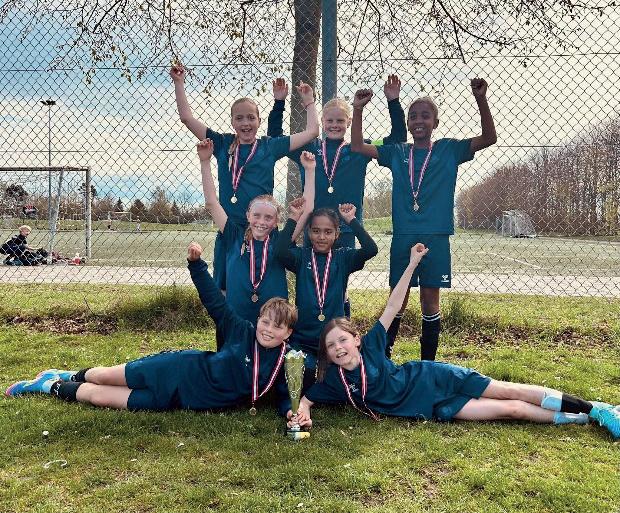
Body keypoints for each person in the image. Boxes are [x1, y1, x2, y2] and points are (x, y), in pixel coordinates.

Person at [289, 244, 620, 440]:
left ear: (356, 339)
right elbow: (307, 399)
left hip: (434, 377)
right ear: (327, 353)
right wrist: (301, 414)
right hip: (434, 407)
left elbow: (392, 305)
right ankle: (586, 418)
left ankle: (596, 408)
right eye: (331, 346)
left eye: (342, 340)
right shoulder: (335, 380)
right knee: (512, 409)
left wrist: (413, 264)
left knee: (510, 390)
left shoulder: (373, 344)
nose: (339, 348)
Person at [6, 244, 298, 419]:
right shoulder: (241, 330)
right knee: (103, 376)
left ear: (287, 333)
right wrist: (196, 265)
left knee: (100, 398)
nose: (268, 330)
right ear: (258, 319)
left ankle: (45, 385)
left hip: (177, 399)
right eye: (266, 321)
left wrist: (291, 412)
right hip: (175, 368)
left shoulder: (286, 362)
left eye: (277, 326)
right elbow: (215, 302)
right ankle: (65, 374)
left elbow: (287, 395)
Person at [350, 79, 498, 360]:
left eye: (425, 116)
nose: (419, 120)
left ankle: (427, 364)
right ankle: (384, 360)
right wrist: (358, 109)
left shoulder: (448, 149)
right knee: (398, 297)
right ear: (408, 123)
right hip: (404, 235)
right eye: (413, 116)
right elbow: (357, 146)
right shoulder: (397, 152)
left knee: (430, 300)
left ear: (435, 122)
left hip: (436, 235)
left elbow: (489, 138)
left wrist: (481, 99)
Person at [170, 63, 319, 292]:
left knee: (265, 287)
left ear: (259, 121)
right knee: (225, 291)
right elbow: (187, 119)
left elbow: (312, 132)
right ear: (232, 122)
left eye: (251, 117)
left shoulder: (269, 146)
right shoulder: (222, 143)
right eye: (239, 118)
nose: (245, 123)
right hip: (230, 230)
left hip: (263, 230)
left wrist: (309, 102)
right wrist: (179, 83)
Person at [267, 76, 406, 318]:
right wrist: (280, 103)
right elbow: (276, 139)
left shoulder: (359, 147)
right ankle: (309, 327)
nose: (334, 125)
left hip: (346, 229)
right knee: (313, 281)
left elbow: (396, 139)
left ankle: (342, 327)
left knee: (340, 286)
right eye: (329, 120)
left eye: (340, 121)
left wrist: (393, 101)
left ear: (349, 122)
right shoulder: (309, 148)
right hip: (315, 230)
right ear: (322, 122)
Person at [198, 137, 316, 347]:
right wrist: (205, 161)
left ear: (276, 221)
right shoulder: (233, 235)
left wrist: (310, 170)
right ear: (248, 216)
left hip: (272, 323)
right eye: (257, 216)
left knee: (269, 361)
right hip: (237, 318)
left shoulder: (281, 240)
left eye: (268, 217)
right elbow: (211, 203)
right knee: (232, 361)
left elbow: (307, 210)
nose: (261, 222)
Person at [275, 203, 378, 390]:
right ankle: (314, 373)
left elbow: (371, 249)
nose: (321, 237)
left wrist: (351, 220)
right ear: (308, 232)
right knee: (302, 375)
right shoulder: (301, 257)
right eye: (316, 231)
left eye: (328, 232)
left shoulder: (344, 258)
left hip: (334, 340)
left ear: (337, 234)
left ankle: (329, 373)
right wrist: (294, 217)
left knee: (348, 377)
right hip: (304, 339)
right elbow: (280, 250)